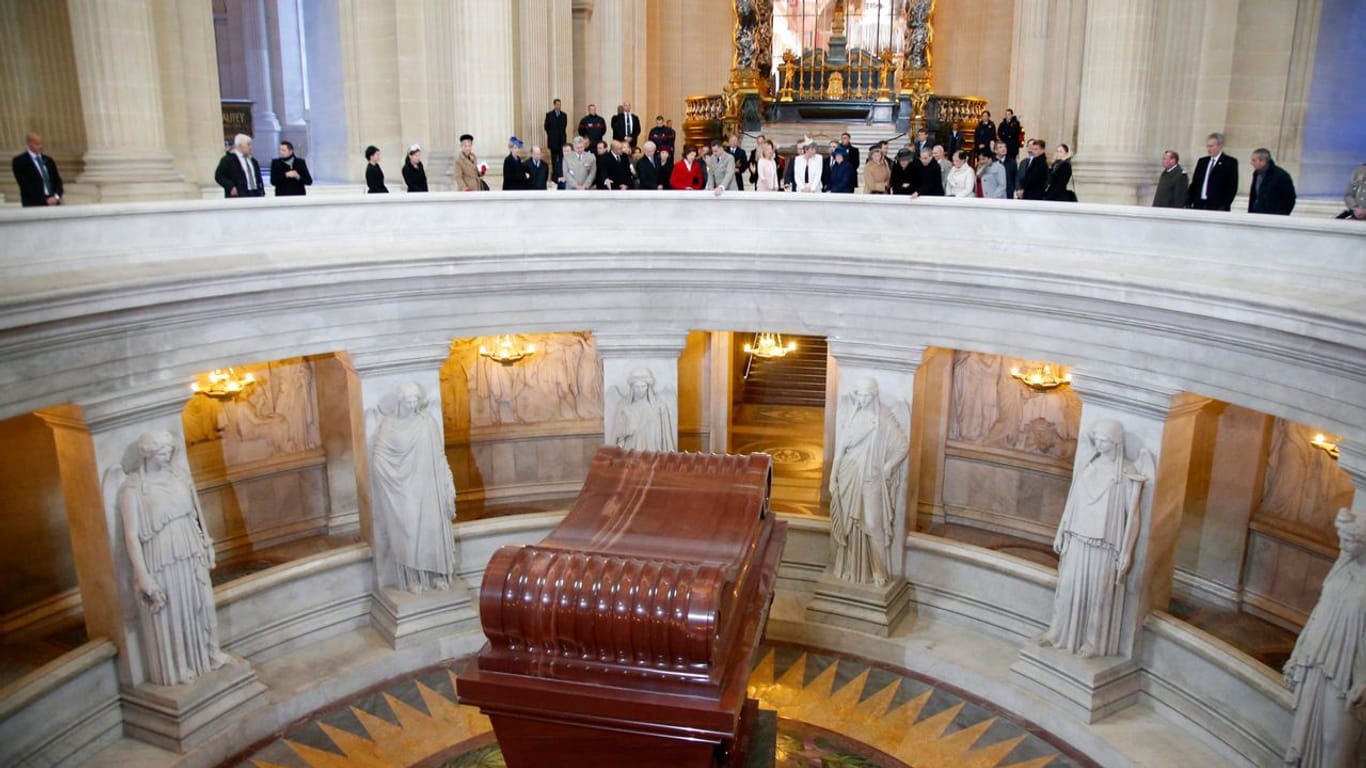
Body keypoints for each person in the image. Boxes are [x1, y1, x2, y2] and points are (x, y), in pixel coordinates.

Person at [114, 430, 230, 686]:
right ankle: (179, 666)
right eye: (162, 452)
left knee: (201, 603)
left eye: (169, 452)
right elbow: (131, 537)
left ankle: (207, 654)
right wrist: (142, 575)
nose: (167, 457)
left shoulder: (179, 476)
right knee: (175, 611)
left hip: (189, 547)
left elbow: (196, 513)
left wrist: (206, 543)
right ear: (148, 453)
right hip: (163, 556)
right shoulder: (133, 490)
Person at [1038, 419, 1149, 658]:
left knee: (1098, 595)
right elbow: (1072, 502)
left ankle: (1093, 642)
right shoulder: (1088, 465)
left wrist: (1127, 551)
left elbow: (1134, 516)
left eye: (1104, 439)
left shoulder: (1126, 474)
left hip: (1104, 545)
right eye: (1097, 439)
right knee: (1067, 587)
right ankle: (1059, 632)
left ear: (1115, 441)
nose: (1099, 444)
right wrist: (1061, 531)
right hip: (1077, 537)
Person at [1282, 507, 1366, 768]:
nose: (1343, 544)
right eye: (1342, 537)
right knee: (1306, 734)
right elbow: (1320, 611)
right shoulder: (1342, 568)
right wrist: (1298, 653)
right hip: (1318, 659)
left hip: (1349, 669)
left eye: (1350, 539)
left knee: (1335, 742)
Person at [369, 382, 457, 593]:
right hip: (402, 489)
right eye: (408, 400)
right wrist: (389, 475)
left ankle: (435, 575)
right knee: (408, 533)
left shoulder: (428, 423)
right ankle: (412, 579)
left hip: (429, 484)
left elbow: (439, 455)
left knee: (431, 531)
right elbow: (379, 456)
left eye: (415, 400)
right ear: (400, 401)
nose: (412, 404)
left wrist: (447, 482)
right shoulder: (389, 425)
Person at [829, 378, 907, 587]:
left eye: (866, 396)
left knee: (873, 525)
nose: (862, 400)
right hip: (848, 475)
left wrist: (889, 466)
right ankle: (850, 568)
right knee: (850, 524)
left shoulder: (883, 418)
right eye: (859, 395)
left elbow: (902, 446)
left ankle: (879, 571)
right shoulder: (852, 416)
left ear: (874, 396)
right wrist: (832, 478)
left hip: (871, 478)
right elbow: (839, 451)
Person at [611, 369, 676, 451]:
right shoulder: (624, 406)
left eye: (643, 386)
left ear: (648, 387)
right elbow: (617, 433)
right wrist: (626, 430)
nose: (640, 390)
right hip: (631, 448)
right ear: (632, 388)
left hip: (652, 448)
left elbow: (667, 436)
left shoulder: (659, 406)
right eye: (636, 387)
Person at [1187, 131, 1238, 211]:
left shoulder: (1230, 162)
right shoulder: (1202, 161)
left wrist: (1224, 205)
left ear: (1220, 146)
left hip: (1216, 206)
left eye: (1211, 146)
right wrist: (1189, 201)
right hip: (1199, 204)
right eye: (1207, 146)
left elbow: (1232, 187)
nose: (1208, 149)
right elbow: (1195, 183)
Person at [12, 131, 63, 207]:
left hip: (53, 202)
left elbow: (57, 181)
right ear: (29, 144)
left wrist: (56, 197)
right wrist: (45, 200)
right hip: (34, 204)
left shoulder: (48, 160)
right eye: (37, 144)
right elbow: (25, 185)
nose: (40, 146)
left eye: (41, 143)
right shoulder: (19, 161)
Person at [1247, 147, 1296, 215]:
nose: (1251, 163)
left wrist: (1281, 214)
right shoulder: (1256, 174)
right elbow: (1254, 196)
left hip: (1274, 216)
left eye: (1254, 160)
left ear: (1263, 161)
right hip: (1257, 214)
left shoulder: (1281, 176)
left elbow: (1290, 198)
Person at [215, 133, 264, 198]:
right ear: (240, 146)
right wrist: (230, 186)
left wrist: (262, 191)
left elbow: (259, 178)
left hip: (255, 194)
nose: (250, 147)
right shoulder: (228, 160)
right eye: (248, 145)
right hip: (239, 195)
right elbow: (219, 176)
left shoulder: (253, 161)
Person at [544, 98, 568, 180]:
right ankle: (554, 176)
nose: (559, 106)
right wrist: (552, 135)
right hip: (553, 141)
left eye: (560, 104)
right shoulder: (549, 115)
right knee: (554, 159)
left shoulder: (564, 115)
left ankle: (561, 174)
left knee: (562, 158)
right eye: (557, 104)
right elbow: (546, 127)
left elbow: (564, 126)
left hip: (562, 141)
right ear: (554, 105)